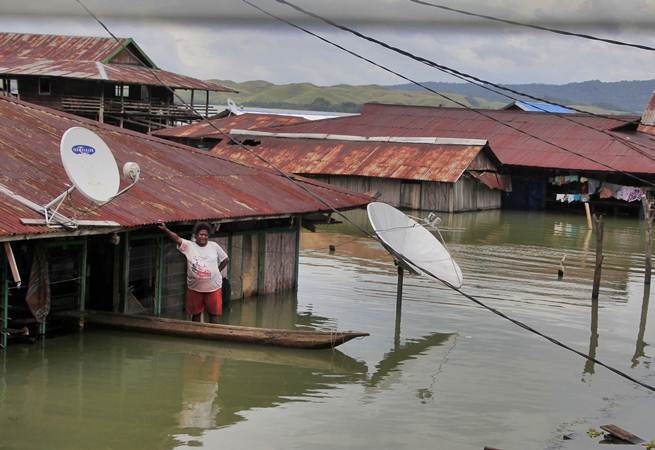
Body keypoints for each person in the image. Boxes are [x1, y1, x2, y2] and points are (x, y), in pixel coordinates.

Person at [158, 221, 228, 324]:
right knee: (196, 314)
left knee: (214, 314)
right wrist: (165, 229)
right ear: (196, 235)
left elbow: (225, 259)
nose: (203, 237)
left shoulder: (214, 246)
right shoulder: (189, 246)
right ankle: (196, 333)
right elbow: (177, 238)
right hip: (195, 288)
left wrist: (217, 271)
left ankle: (213, 334)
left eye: (205, 235)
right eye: (201, 234)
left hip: (214, 287)